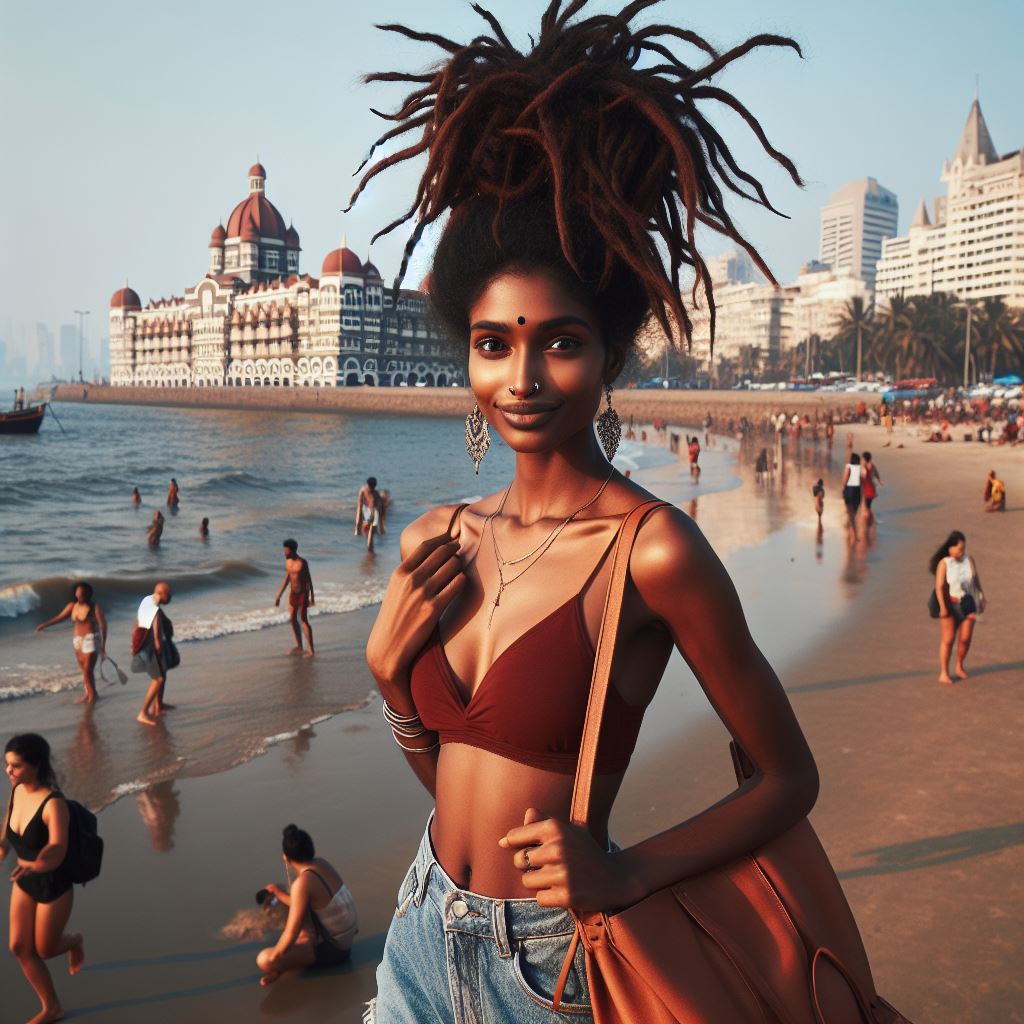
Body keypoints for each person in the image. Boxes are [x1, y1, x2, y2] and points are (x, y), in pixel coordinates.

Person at [351, 7, 830, 1020]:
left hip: (549, 963)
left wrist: (624, 871)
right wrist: (393, 684)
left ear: (608, 353)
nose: (521, 376)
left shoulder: (651, 550)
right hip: (416, 930)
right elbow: (454, 786)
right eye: (492, 344)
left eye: (558, 342)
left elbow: (787, 778)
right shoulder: (436, 536)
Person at [2, 733, 85, 1023]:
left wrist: (35, 866)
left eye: (16, 766)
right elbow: (8, 828)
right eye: (6, 764)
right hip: (24, 879)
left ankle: (74, 940)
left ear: (35, 765)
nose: (8, 771)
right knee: (18, 948)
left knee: (45, 949)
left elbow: (57, 848)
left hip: (53, 883)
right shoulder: (17, 790)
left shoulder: (53, 803)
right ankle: (52, 1008)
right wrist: (2, 847)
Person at [256, 824, 358, 986]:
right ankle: (298, 956)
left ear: (286, 858)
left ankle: (290, 964)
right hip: (346, 941)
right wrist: (278, 893)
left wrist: (276, 959)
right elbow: (299, 903)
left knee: (264, 959)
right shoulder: (322, 864)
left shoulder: (302, 884)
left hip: (336, 951)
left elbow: (290, 933)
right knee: (295, 907)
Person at [35, 583, 107, 704]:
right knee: (84, 670)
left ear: (88, 594)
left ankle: (92, 696)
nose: (79, 594)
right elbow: (60, 617)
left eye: (82, 592)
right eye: (78, 592)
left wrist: (103, 646)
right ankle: (90, 693)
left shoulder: (95, 607)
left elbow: (103, 626)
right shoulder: (72, 606)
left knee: (87, 670)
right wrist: (44, 625)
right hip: (77, 641)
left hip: (91, 640)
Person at [931, 531, 986, 684]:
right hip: (950, 604)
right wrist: (943, 607)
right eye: (959, 548)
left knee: (965, 638)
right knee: (948, 640)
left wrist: (981, 597)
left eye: (963, 548)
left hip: (968, 603)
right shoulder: (944, 563)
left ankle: (959, 666)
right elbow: (939, 586)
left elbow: (975, 580)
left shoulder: (969, 560)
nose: (961, 551)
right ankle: (943, 672)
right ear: (950, 548)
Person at [136, 582, 175, 725]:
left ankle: (158, 706)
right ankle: (143, 712)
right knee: (158, 679)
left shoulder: (148, 603)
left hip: (147, 646)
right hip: (151, 648)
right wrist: (158, 650)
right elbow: (156, 632)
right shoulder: (154, 609)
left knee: (162, 676)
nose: (170, 596)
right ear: (160, 593)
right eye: (168, 593)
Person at [275, 540, 315, 656]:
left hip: (303, 594)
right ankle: (299, 646)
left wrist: (312, 597)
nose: (284, 553)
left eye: (286, 550)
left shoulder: (302, 563)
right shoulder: (287, 562)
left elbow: (309, 580)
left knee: (303, 621)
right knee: (292, 619)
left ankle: (311, 650)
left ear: (292, 550)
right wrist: (279, 595)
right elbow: (287, 578)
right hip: (293, 594)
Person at [355, 477, 383, 552]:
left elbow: (380, 507)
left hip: (373, 512)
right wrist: (357, 523)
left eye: (373, 487)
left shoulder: (375, 493)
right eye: (371, 487)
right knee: (369, 531)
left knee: (371, 531)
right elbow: (359, 505)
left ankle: (370, 547)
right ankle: (370, 546)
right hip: (367, 512)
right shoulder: (364, 490)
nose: (372, 488)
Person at [841, 452, 862, 541]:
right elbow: (861, 482)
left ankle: (854, 534)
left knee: (851, 514)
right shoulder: (859, 469)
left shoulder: (848, 467)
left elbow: (845, 480)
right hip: (857, 492)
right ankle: (851, 531)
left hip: (849, 491)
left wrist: (843, 488)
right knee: (853, 514)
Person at [861, 451, 882, 525]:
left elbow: (863, 479)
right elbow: (876, 473)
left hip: (867, 489)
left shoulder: (864, 468)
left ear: (864, 459)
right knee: (868, 505)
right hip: (872, 488)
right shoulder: (872, 466)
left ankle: (869, 521)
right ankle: (870, 519)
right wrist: (879, 480)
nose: (861, 460)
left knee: (867, 506)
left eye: (862, 458)